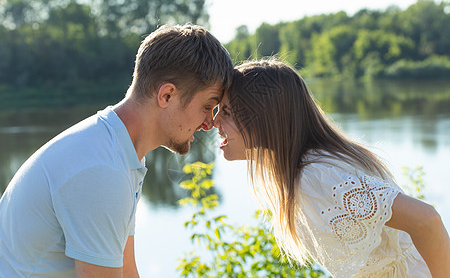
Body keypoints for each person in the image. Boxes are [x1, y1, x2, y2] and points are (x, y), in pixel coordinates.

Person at [0, 24, 233, 277]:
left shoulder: (119, 151)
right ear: (166, 96)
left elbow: (126, 268)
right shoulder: (102, 169)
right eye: (207, 107)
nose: (209, 123)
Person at [213, 59, 450, 277]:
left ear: (266, 119)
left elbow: (426, 220)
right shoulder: (311, 167)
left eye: (226, 112)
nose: (214, 122)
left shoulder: (316, 176)